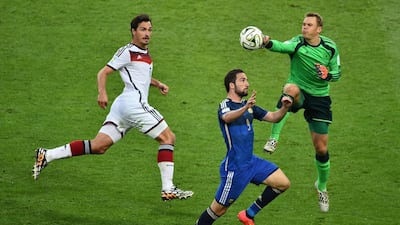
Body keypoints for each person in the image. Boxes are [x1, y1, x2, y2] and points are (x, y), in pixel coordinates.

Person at [32, 14, 193, 201]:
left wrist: (156, 84)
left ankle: (47, 155)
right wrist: (102, 92)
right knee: (168, 137)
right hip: (134, 105)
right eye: (143, 29)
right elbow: (103, 72)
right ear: (133, 31)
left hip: (124, 106)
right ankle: (168, 188)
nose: (147, 33)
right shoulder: (127, 51)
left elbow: (139, 77)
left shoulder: (144, 53)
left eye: (149, 30)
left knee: (99, 146)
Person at [261, 12, 341, 212]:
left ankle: (321, 187)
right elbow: (281, 46)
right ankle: (274, 138)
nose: (304, 27)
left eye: (309, 25)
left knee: (321, 149)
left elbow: (337, 73)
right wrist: (267, 42)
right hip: (299, 92)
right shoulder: (297, 43)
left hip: (319, 98)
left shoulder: (330, 47)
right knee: (290, 90)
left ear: (318, 29)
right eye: (303, 24)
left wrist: (328, 74)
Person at [195, 69, 293, 225]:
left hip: (251, 162)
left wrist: (285, 107)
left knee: (282, 183)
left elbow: (274, 117)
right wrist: (245, 106)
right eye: (242, 80)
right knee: (218, 210)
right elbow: (227, 118)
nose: (247, 83)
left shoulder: (250, 107)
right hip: (235, 168)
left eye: (247, 80)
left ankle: (249, 214)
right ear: (231, 85)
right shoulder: (225, 104)